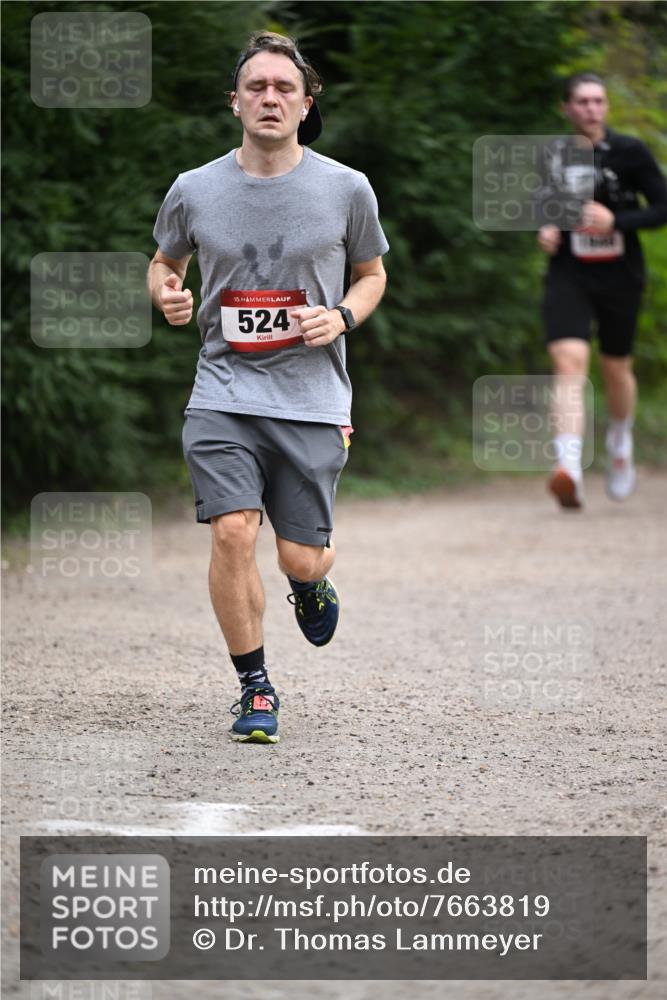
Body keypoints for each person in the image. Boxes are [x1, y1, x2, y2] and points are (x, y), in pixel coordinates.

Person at [148, 32, 388, 743]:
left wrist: (341, 315)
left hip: (312, 396)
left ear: (305, 103)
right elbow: (164, 263)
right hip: (222, 389)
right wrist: (167, 294)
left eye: (284, 88)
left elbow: (373, 275)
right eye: (256, 86)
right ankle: (254, 687)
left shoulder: (346, 188)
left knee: (296, 555)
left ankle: (311, 581)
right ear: (234, 102)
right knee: (230, 531)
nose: (270, 98)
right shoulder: (194, 188)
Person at [538, 72, 667, 509]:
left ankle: (619, 439)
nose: (592, 108)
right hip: (569, 272)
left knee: (616, 367)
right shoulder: (553, 154)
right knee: (569, 361)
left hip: (621, 274)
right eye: (583, 101)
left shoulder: (631, 152)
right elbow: (543, 205)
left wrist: (618, 222)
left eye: (599, 101)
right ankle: (568, 467)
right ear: (567, 108)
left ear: (606, 107)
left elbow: (662, 207)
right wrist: (548, 228)